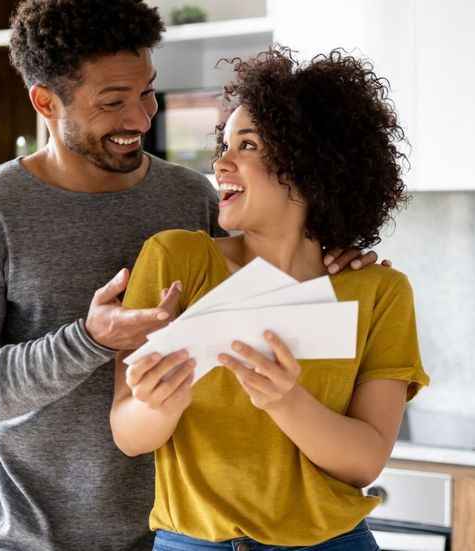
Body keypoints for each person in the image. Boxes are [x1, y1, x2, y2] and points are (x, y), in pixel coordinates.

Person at [0, 1, 376, 548]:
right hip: (36, 536)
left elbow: (271, 270)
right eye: (112, 102)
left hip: (180, 534)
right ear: (46, 102)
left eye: (146, 91)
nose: (140, 119)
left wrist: (334, 262)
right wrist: (88, 340)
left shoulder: (189, 198)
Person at [110, 46, 428, 550]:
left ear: (310, 162)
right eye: (225, 143)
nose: (222, 161)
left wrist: (286, 399)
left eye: (249, 145)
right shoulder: (176, 260)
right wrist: (157, 403)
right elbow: (129, 434)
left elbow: (366, 460)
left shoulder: (378, 291)